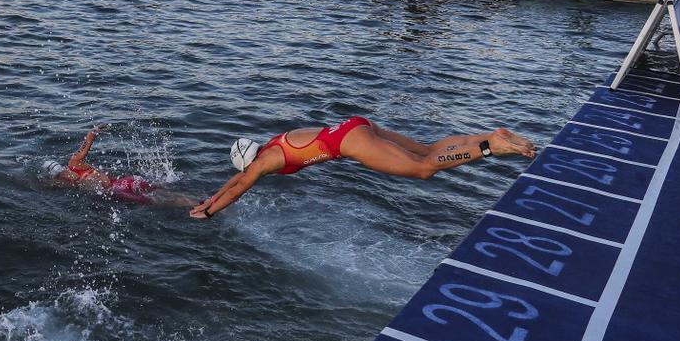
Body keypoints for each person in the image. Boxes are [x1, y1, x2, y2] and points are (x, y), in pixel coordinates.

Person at [190, 118, 536, 219]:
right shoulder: (272, 145)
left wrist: (208, 214)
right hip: (355, 125)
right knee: (428, 148)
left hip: (351, 144)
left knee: (423, 169)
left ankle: (492, 147)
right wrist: (209, 199)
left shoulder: (265, 163)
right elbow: (235, 181)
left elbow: (240, 186)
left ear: (252, 162)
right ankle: (489, 135)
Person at [43, 126, 195, 206]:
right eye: (59, 174)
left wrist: (92, 134)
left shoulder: (74, 164)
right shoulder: (65, 184)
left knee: (160, 190)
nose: (63, 174)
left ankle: (200, 202)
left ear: (62, 168)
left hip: (121, 183)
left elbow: (86, 146)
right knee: (154, 201)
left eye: (61, 171)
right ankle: (196, 205)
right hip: (115, 190)